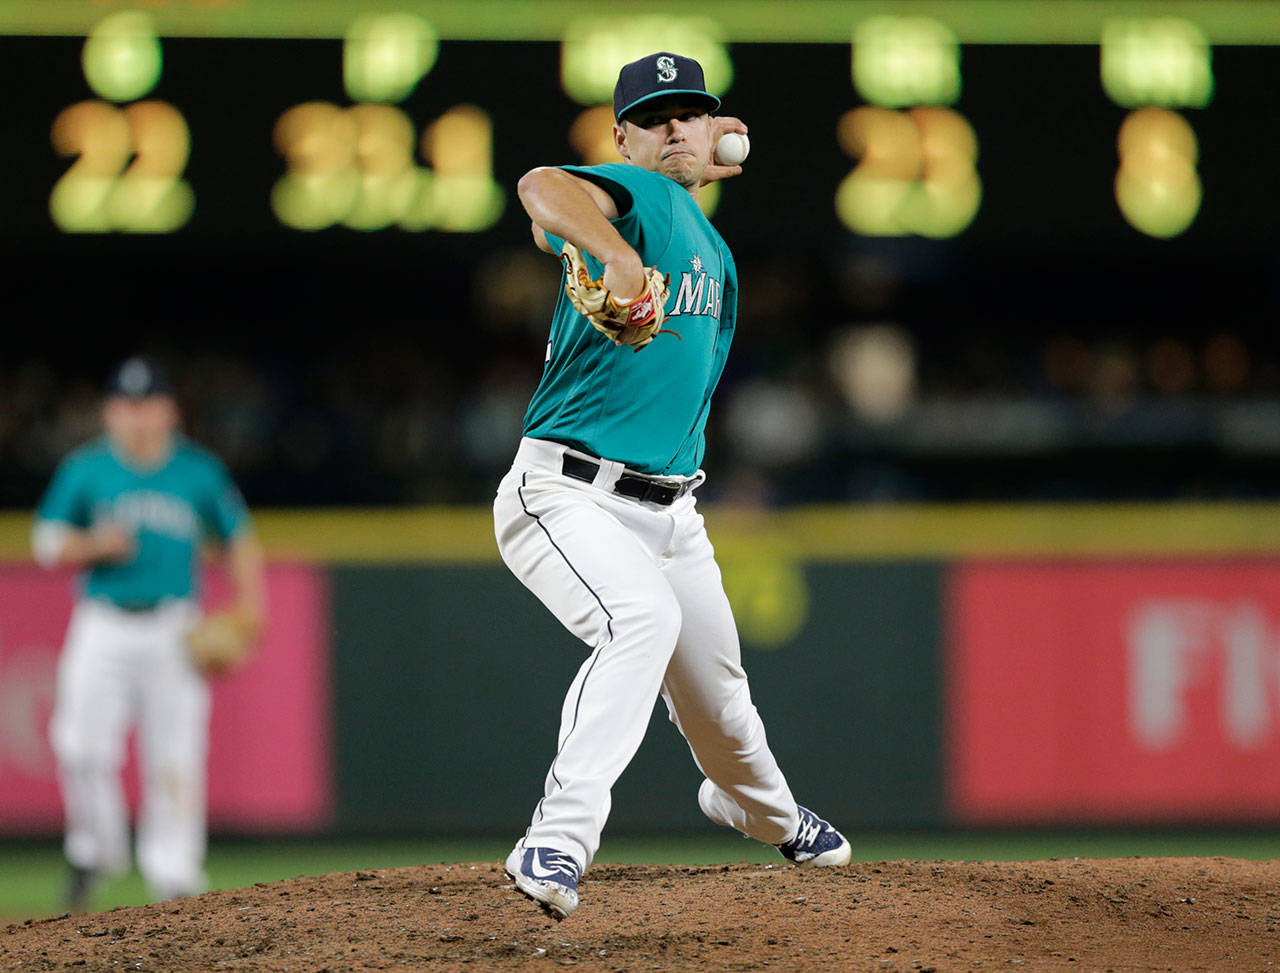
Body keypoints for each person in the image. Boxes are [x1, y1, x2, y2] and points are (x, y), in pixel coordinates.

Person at [495, 52, 850, 920]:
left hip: (670, 509)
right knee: (639, 620)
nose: (674, 127)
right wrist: (611, 253)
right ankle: (558, 839)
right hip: (565, 492)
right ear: (621, 138)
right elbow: (545, 190)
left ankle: (760, 811)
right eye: (654, 117)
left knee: (722, 702)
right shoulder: (632, 197)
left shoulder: (712, 248)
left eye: (690, 113)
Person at [31, 356, 266, 911]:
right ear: (110, 412)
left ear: (170, 411)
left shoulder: (197, 471)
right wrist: (93, 546)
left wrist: (253, 609)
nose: (138, 416)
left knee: (176, 758)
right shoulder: (86, 469)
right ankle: (93, 851)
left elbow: (239, 539)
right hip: (103, 624)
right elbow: (45, 542)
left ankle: (176, 875)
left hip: (172, 626)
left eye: (149, 404)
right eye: (126, 405)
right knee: (80, 747)